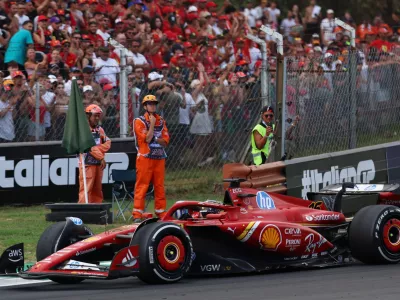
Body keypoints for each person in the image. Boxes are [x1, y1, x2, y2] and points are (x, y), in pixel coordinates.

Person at [132, 94, 170, 221]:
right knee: (142, 185)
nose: (152, 105)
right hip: (145, 158)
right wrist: (152, 125)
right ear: (145, 106)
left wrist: (155, 138)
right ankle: (137, 213)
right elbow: (147, 139)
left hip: (159, 157)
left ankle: (160, 211)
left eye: (154, 103)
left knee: (159, 185)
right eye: (150, 104)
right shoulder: (139, 121)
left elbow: (165, 141)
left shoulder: (162, 120)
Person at [78, 104, 111, 204]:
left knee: (97, 189)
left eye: (98, 116)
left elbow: (108, 142)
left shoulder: (100, 130)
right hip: (86, 163)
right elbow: (88, 146)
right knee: (86, 188)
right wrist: (100, 156)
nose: (97, 118)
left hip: (98, 163)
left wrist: (97, 150)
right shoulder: (83, 130)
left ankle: (97, 210)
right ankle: (83, 211)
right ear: (88, 116)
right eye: (95, 115)